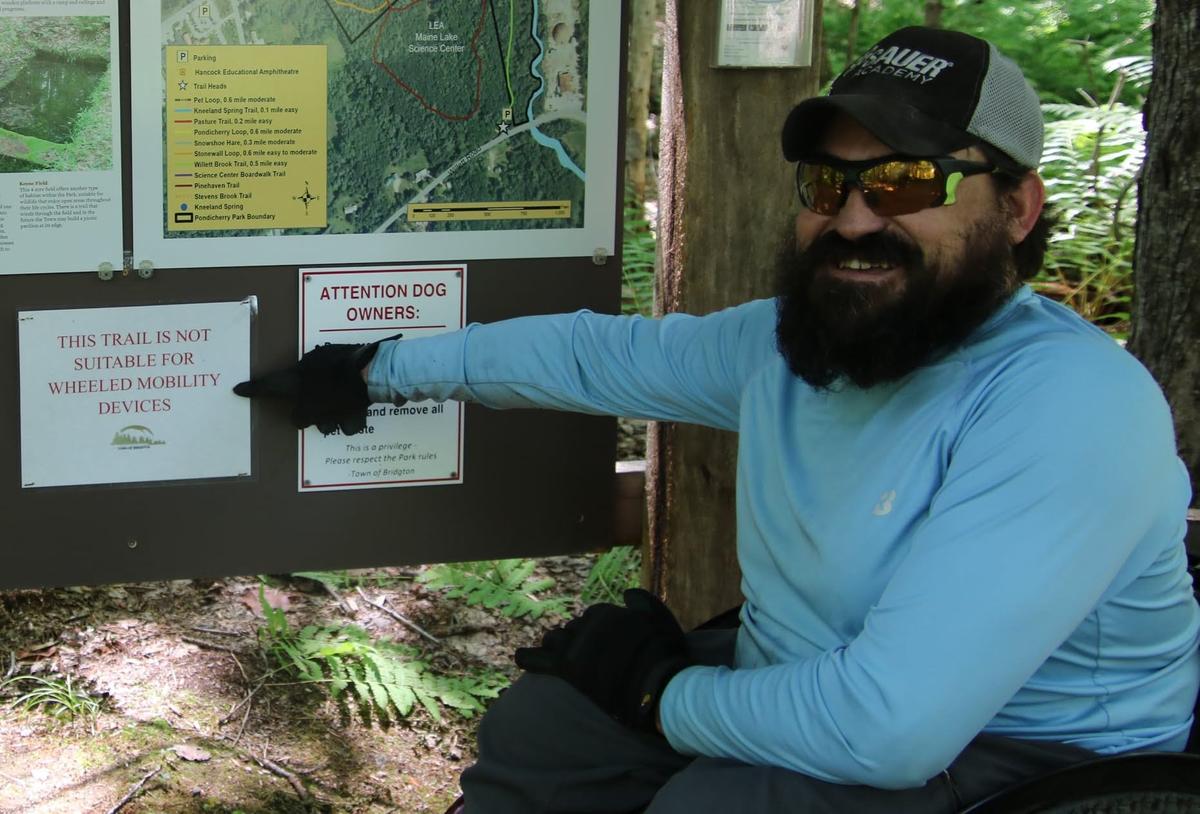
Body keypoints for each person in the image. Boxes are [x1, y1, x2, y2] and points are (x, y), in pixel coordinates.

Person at [236, 26, 1200, 814]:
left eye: (908, 181)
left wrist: (660, 696)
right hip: (813, 684)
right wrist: (379, 368)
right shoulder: (798, 346)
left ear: (1019, 207)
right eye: (828, 185)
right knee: (546, 732)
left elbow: (887, 729)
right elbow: (598, 355)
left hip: (1034, 760)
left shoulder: (1068, 406)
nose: (856, 219)